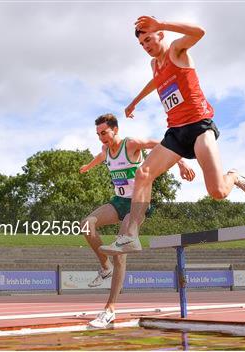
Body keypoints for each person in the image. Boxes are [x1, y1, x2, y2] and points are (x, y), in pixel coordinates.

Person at [100, 16, 245, 255]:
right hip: (175, 132)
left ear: (160, 35)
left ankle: (234, 176)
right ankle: (131, 235)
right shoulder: (154, 65)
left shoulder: (177, 50)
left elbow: (200, 32)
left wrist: (162, 24)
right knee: (144, 173)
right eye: (142, 44)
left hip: (198, 127)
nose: (146, 47)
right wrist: (135, 101)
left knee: (217, 192)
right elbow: (156, 82)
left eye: (149, 39)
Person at [80, 113, 194, 328]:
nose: (101, 137)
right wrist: (88, 166)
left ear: (116, 130)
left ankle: (110, 309)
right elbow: (100, 156)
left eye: (104, 132)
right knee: (86, 224)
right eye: (98, 134)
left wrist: (181, 163)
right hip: (119, 201)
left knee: (120, 250)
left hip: (138, 204)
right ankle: (105, 268)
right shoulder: (106, 150)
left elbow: (162, 144)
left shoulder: (131, 144)